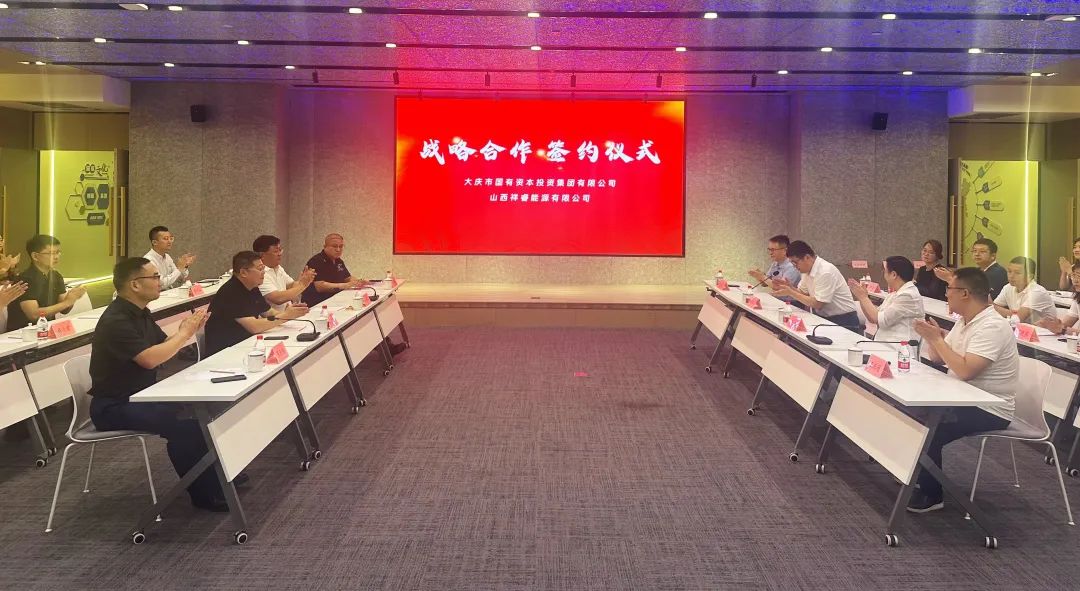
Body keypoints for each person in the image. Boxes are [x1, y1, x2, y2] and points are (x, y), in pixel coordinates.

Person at [88, 257, 229, 511]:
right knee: (185, 424)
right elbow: (149, 359)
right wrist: (184, 334)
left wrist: (186, 330)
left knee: (200, 410)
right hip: (114, 406)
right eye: (154, 277)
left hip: (142, 395)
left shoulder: (139, 313)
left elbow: (162, 346)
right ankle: (205, 494)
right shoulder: (116, 320)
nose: (159, 282)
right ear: (135, 284)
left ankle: (219, 476)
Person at [911, 268, 1018, 513]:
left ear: (965, 293)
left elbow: (966, 370)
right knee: (913, 412)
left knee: (929, 427)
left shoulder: (992, 326)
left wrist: (937, 339)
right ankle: (918, 474)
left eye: (949, 289)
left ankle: (931, 494)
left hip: (989, 407)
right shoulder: (965, 320)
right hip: (961, 396)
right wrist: (934, 337)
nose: (946, 294)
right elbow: (938, 358)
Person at [300, 233, 407, 355]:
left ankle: (386, 347)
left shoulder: (338, 261)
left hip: (336, 301)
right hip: (318, 306)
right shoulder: (316, 261)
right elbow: (320, 286)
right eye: (334, 246)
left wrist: (360, 282)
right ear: (325, 246)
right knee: (361, 319)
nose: (338, 249)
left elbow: (347, 278)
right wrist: (344, 285)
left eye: (341, 246)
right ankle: (384, 349)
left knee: (368, 315)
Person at [204, 251, 309, 356]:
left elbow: (269, 312)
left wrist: (293, 313)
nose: (264, 272)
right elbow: (254, 327)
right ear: (243, 272)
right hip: (225, 351)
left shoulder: (252, 287)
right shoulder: (231, 292)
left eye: (263, 268)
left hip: (245, 343)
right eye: (260, 269)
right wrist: (285, 316)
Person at [771, 240, 861, 331]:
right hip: (824, 318)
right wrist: (790, 287)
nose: (794, 266)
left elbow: (817, 304)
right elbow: (803, 293)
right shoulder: (806, 270)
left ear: (807, 257)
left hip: (844, 320)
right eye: (792, 263)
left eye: (795, 262)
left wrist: (791, 292)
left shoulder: (825, 271)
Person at [7, 234, 85, 330]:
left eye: (58, 252)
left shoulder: (56, 276)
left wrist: (72, 298)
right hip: (23, 332)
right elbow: (34, 315)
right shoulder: (24, 279)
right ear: (35, 256)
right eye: (51, 253)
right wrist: (67, 302)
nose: (56, 257)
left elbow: (64, 310)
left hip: (48, 329)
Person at [847, 256, 924, 343]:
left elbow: (878, 319)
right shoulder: (894, 294)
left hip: (899, 346)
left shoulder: (908, 295)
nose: (884, 274)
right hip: (886, 342)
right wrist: (862, 298)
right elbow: (872, 318)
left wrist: (863, 297)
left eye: (885, 271)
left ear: (894, 275)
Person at [252, 235, 316, 312]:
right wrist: (302, 285)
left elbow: (292, 286)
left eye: (280, 250)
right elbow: (278, 299)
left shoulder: (278, 268)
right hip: (274, 317)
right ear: (262, 255)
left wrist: (304, 280)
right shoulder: (259, 273)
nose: (280, 254)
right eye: (276, 251)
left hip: (288, 313)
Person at [992, 256, 1057, 325]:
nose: (1011, 276)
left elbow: (1018, 318)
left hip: (1043, 330)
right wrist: (1013, 313)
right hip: (1022, 328)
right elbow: (993, 308)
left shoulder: (1037, 292)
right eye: (1009, 271)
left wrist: (1008, 313)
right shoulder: (1008, 287)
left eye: (1017, 273)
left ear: (1030, 277)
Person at [144, 226, 195, 290]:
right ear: (154, 242)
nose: (169, 241)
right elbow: (161, 284)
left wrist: (184, 266)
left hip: (169, 293)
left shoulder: (167, 257)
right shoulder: (148, 260)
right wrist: (179, 269)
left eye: (171, 238)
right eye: (165, 239)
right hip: (158, 295)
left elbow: (179, 279)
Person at [1038, 261, 1080, 336]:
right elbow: (1065, 324)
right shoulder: (1077, 298)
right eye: (1073, 276)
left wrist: (1062, 329)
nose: (1075, 280)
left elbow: (1062, 328)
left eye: (1079, 276)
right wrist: (1050, 325)